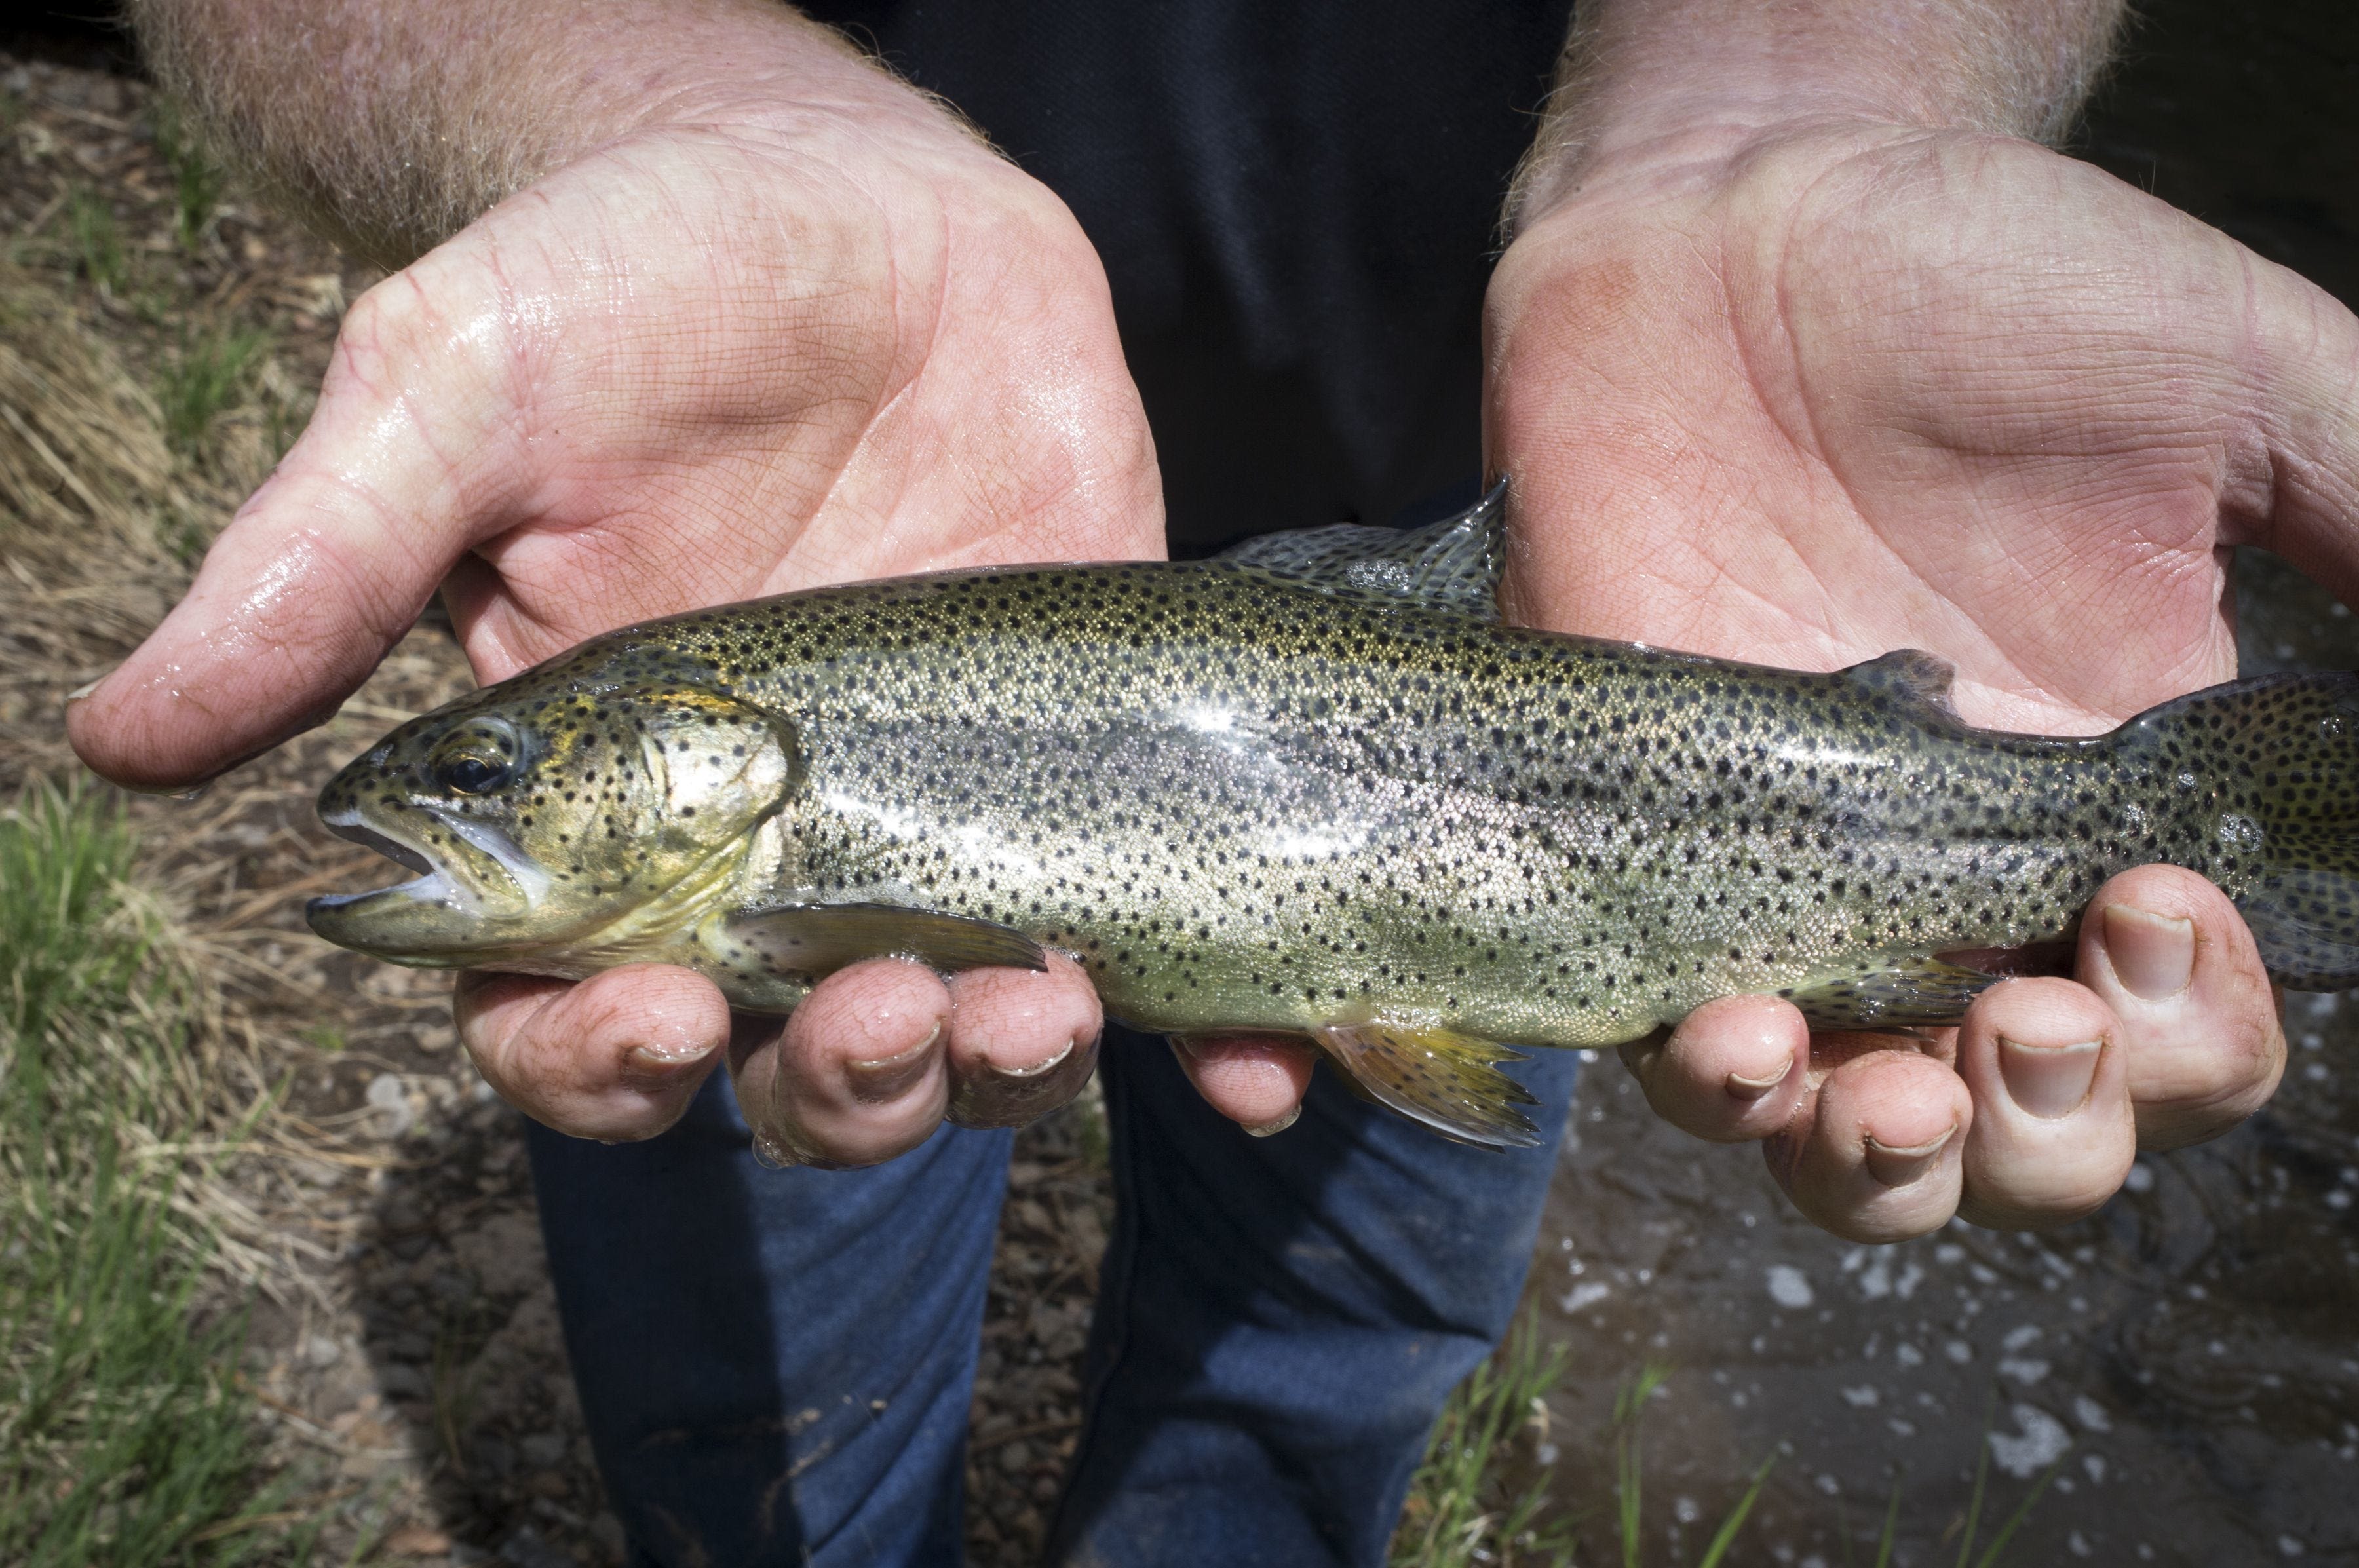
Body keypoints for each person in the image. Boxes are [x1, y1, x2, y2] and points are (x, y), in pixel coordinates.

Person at [80, 0, 2353, 1562]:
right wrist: (632, 103)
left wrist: (1785, 117)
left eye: (489, 773)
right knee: (764, 1401)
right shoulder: (721, 819)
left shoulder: (744, 827)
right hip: (781, 476)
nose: (449, 801)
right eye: (491, 769)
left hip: (1577, 544)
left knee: (1318, 1369)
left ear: (695, 766)